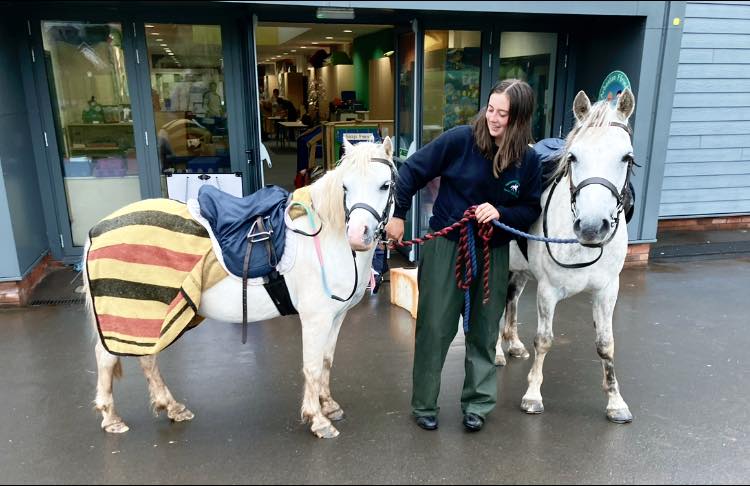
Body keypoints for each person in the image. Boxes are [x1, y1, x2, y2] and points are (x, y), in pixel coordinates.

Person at [385, 79, 542, 432]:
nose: (494, 118)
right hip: (447, 247)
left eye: (504, 113)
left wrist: (501, 212)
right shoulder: (461, 140)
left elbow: (530, 208)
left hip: (493, 252)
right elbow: (411, 170)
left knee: (485, 330)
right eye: (491, 109)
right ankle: (424, 403)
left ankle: (478, 404)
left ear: (519, 119)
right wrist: (398, 214)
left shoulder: (528, 161)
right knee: (435, 327)